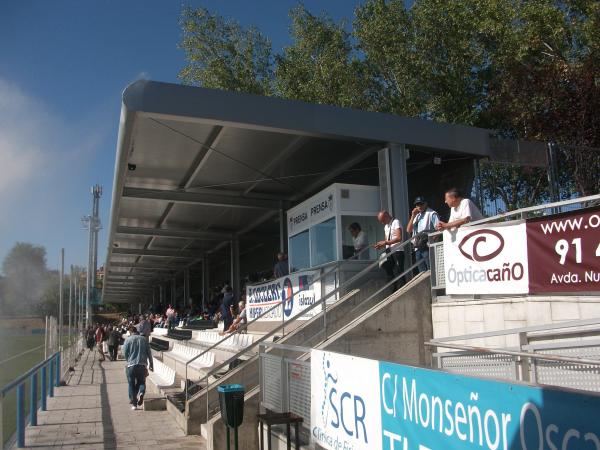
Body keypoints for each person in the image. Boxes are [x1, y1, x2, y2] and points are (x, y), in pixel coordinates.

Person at [122, 326, 154, 410]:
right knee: (141, 382)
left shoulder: (128, 340)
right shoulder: (143, 339)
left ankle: (134, 404)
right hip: (142, 365)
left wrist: (128, 360)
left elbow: (124, 352)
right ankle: (141, 393)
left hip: (131, 365)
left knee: (131, 384)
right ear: (137, 331)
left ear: (130, 332)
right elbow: (149, 353)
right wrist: (151, 364)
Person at [406, 196, 439, 272]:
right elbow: (408, 230)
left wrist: (430, 242)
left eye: (421, 204)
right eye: (417, 205)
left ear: (426, 203)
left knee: (431, 269)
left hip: (427, 247)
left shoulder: (432, 214)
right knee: (422, 271)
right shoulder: (417, 215)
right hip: (418, 247)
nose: (419, 206)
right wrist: (413, 215)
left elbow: (438, 230)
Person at [374, 211, 405, 287]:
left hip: (397, 250)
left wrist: (385, 243)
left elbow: (399, 238)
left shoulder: (396, 222)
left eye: (383, 220)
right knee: (386, 266)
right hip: (389, 250)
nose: (382, 223)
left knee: (399, 271)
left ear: (387, 216)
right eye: (381, 221)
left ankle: (402, 287)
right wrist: (381, 245)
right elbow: (386, 241)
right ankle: (394, 286)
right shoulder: (386, 226)